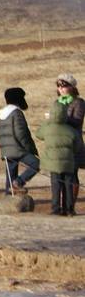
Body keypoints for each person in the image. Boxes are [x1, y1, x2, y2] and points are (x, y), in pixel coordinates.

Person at [40, 95, 78, 215]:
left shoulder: (48, 128)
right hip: (68, 162)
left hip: (53, 163)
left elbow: (38, 134)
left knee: (56, 186)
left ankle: (55, 208)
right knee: (68, 186)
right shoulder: (71, 130)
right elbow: (77, 146)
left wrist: (47, 121)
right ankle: (69, 209)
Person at [0, 87, 39, 194]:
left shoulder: (3, 114)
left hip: (7, 150)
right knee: (37, 164)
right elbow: (21, 134)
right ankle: (19, 182)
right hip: (17, 149)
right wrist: (30, 149)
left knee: (10, 178)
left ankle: (8, 198)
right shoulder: (16, 113)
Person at [57, 74, 84, 214]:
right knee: (60, 175)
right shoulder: (58, 102)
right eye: (59, 86)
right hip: (60, 144)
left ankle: (70, 206)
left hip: (74, 143)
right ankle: (61, 206)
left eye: (64, 86)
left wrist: (59, 118)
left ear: (72, 87)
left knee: (72, 174)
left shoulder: (78, 102)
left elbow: (77, 121)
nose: (61, 89)